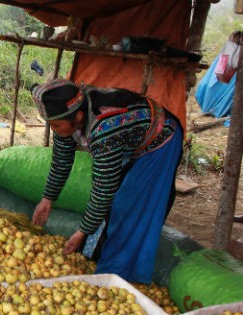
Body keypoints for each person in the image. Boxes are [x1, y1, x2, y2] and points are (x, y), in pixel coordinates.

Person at [31, 78, 183, 284]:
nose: (54, 129)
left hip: (161, 140)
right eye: (51, 125)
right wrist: (47, 199)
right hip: (131, 141)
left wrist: (82, 231)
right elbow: (61, 161)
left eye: (57, 125)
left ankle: (120, 275)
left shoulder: (105, 128)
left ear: (78, 116)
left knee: (131, 210)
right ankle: (106, 262)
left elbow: (104, 189)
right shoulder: (66, 119)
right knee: (117, 205)